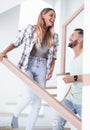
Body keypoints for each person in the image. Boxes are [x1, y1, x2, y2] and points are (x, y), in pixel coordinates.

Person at [0, 8, 58, 130]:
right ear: (43, 15)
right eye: (51, 15)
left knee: (37, 104)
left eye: (55, 17)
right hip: (28, 65)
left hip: (43, 67)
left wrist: (51, 70)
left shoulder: (54, 36)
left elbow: (53, 57)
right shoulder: (30, 29)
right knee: (28, 96)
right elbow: (16, 42)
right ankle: (15, 115)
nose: (53, 18)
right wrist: (3, 52)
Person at [52, 28, 83, 130]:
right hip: (70, 99)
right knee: (55, 123)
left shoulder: (86, 56)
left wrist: (73, 78)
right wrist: (63, 100)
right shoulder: (74, 59)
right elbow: (74, 83)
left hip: (83, 102)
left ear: (80, 39)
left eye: (73, 35)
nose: (69, 37)